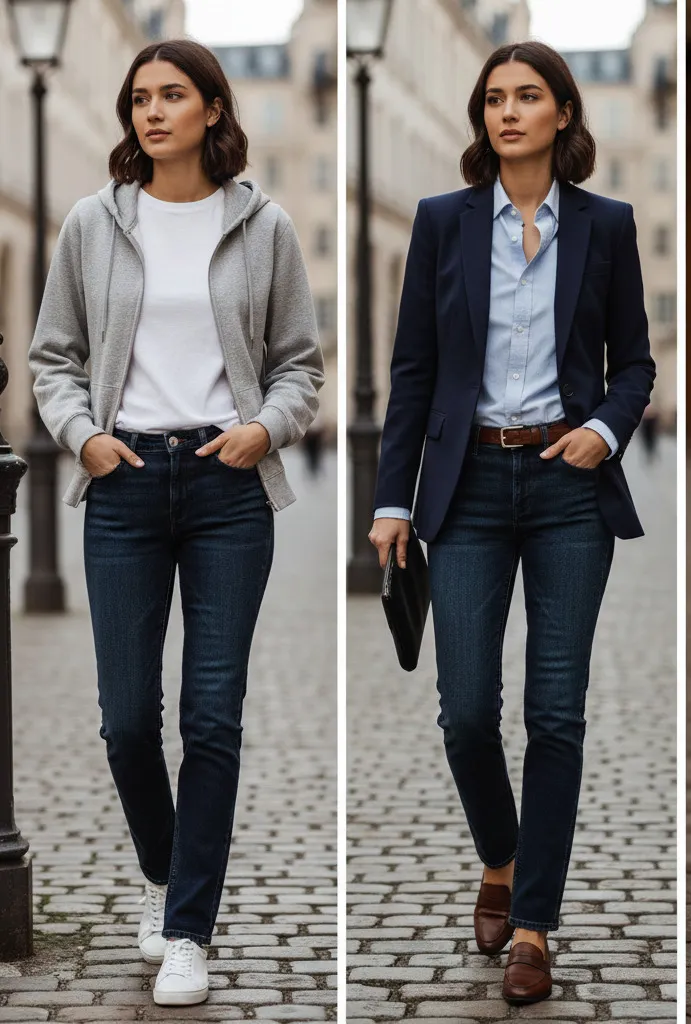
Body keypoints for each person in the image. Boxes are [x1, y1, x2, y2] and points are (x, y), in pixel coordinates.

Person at [29, 40, 324, 1007]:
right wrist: (83, 437)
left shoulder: (265, 225)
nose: (153, 112)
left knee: (211, 719)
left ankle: (189, 927)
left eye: (173, 96)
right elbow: (53, 358)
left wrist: (263, 431)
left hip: (225, 485)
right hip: (122, 484)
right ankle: (165, 875)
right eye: (140, 98)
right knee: (123, 724)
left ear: (211, 110)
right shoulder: (91, 223)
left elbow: (300, 367)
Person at [368, 41, 655, 1007]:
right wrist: (391, 499)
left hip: (568, 486)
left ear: (565, 114)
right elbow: (412, 370)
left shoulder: (606, 227)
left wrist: (603, 432)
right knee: (465, 713)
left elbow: (636, 367)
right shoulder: (444, 223)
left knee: (557, 714)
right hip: (469, 490)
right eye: (494, 98)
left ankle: (534, 922)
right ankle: (501, 854)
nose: (509, 111)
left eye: (529, 96)